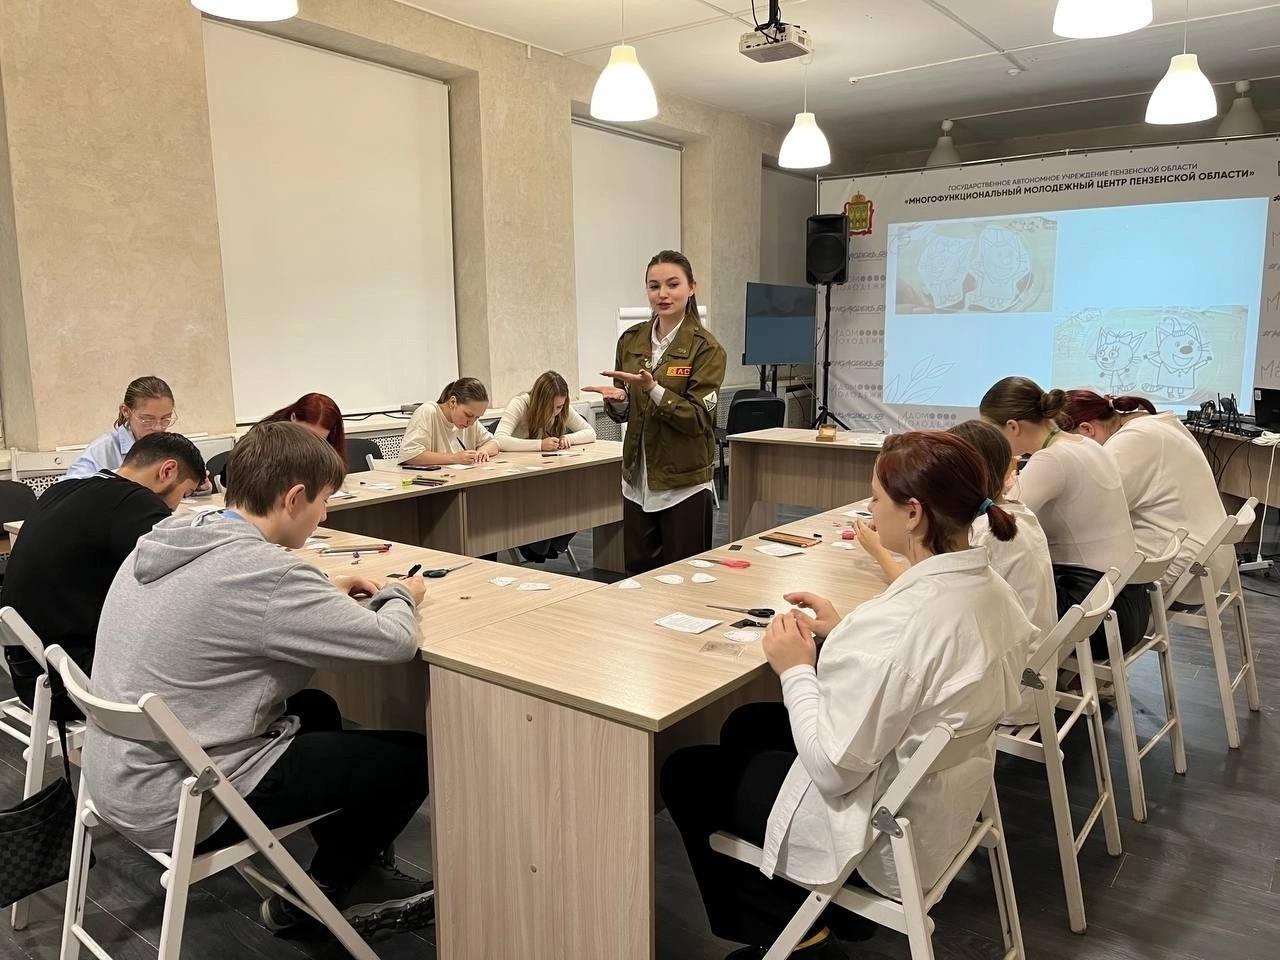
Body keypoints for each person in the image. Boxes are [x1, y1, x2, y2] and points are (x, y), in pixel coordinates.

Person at [660, 432, 1030, 960]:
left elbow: (834, 769)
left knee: (686, 772)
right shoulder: (993, 591)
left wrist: (796, 669)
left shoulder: (904, 623)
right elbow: (915, 671)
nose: (870, 512)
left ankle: (797, 932)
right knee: (747, 725)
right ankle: (798, 901)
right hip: (942, 797)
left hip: (882, 832)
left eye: (876, 499)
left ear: (913, 513)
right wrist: (843, 633)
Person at [83, 422, 435, 936]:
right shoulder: (267, 573)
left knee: (315, 707)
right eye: (323, 501)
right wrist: (402, 593)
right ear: (293, 498)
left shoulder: (166, 540)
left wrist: (320, 590)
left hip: (117, 775)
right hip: (178, 801)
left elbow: (242, 601)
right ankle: (320, 897)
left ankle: (346, 868)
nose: (325, 515)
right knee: (412, 759)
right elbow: (393, 642)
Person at [852, 421, 1054, 726]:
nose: (871, 506)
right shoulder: (1015, 516)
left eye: (876, 498)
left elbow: (927, 591)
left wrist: (880, 549)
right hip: (1006, 681)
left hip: (1002, 694)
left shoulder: (985, 535)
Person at [1, 433, 206, 720]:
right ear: (167, 471)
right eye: (184, 494)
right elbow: (190, 577)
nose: (175, 507)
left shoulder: (63, 489)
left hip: (30, 672)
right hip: (72, 684)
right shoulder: (136, 504)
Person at [979, 376, 1148, 662]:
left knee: (983, 592)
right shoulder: (1085, 444)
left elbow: (997, 523)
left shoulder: (1051, 459)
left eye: (991, 432)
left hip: (1090, 614)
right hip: (1123, 604)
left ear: (1012, 427)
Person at [583, 250, 726, 574]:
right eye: (654, 286)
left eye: (672, 285)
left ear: (691, 287)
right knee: (639, 576)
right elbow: (625, 414)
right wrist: (619, 401)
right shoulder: (630, 340)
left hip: (684, 483)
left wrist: (653, 389)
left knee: (683, 577)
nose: (663, 294)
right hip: (638, 480)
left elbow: (699, 419)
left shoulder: (706, 347)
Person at [1061, 389, 1234, 601]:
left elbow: (1095, 512)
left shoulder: (1131, 440)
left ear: (1087, 429)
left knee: (1062, 562)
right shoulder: (1155, 424)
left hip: (1187, 569)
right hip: (1207, 559)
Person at [495, 370, 597, 563]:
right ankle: (535, 547)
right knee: (549, 498)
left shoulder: (562, 407)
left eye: (559, 407)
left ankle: (553, 544)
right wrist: (539, 445)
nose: (556, 412)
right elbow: (499, 439)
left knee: (577, 496)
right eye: (552, 407)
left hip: (545, 470)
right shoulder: (520, 403)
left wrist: (568, 439)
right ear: (540, 402)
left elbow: (589, 432)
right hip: (517, 473)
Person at [63, 376, 178, 479]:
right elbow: (67, 487)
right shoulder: (103, 449)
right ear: (126, 411)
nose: (158, 428)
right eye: (147, 419)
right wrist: (123, 475)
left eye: (165, 418)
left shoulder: (172, 448)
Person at [398, 377, 501, 466]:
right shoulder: (428, 412)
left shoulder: (471, 421)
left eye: (477, 417)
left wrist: (483, 451)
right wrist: (454, 458)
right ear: (453, 402)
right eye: (468, 415)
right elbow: (410, 455)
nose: (471, 422)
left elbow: (494, 443)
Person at [261, 392, 346, 461]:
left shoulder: (332, 441)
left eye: (319, 440)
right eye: (306, 435)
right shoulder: (266, 439)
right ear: (293, 417)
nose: (311, 444)